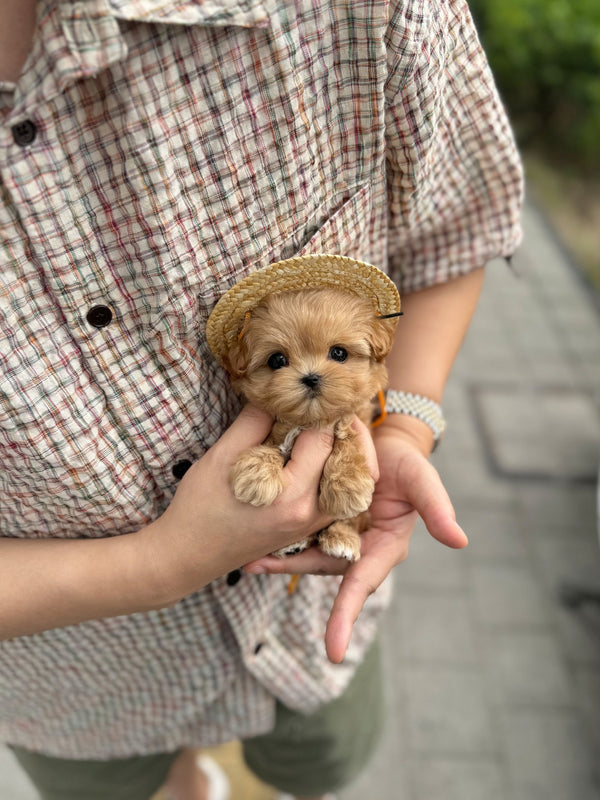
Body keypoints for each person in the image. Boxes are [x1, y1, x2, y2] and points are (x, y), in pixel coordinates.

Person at [0, 0, 523, 798]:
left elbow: (453, 229)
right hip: (72, 674)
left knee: (324, 761)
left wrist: (406, 431)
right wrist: (158, 564)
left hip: (310, 622)